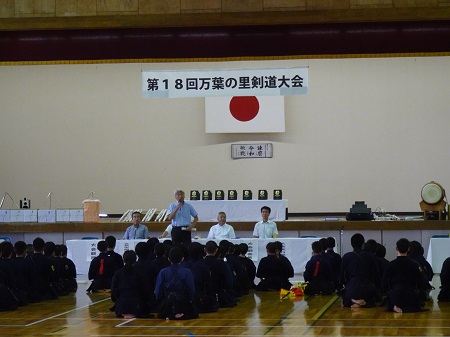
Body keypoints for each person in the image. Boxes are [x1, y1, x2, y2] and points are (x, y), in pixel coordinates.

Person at [381, 238, 428, 313]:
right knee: (414, 305)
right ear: (409, 249)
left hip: (395, 295)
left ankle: (395, 306)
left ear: (396, 248)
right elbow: (422, 281)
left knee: (391, 302)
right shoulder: (415, 264)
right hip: (410, 295)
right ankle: (405, 308)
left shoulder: (390, 265)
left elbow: (384, 283)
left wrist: (389, 293)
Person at [154, 246, 198, 320]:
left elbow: (158, 291)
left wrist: (160, 302)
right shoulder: (187, 272)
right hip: (183, 302)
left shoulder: (163, 272)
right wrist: (190, 300)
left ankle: (169, 314)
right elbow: (191, 290)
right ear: (182, 258)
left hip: (167, 303)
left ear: (168, 258)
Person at [339, 233, 379, 308]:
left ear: (351, 244)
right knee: (374, 300)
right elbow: (375, 275)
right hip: (367, 287)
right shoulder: (370, 256)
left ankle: (353, 301)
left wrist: (346, 285)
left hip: (352, 287)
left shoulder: (346, 256)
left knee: (345, 299)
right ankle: (363, 302)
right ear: (363, 244)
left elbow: (342, 277)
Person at [111, 250, 153, 319]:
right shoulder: (140, 273)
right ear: (135, 260)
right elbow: (146, 291)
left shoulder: (118, 273)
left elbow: (114, 292)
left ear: (123, 260)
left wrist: (118, 300)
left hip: (122, 306)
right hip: (137, 306)